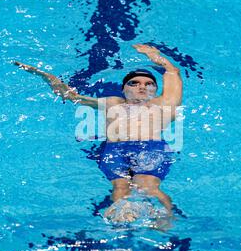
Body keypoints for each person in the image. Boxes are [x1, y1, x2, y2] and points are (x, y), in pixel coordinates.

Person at [14, 44, 183, 222]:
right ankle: (121, 224)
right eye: (134, 83)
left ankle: (165, 223)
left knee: (148, 187)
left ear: (155, 90)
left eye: (149, 84)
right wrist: (42, 74)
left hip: (150, 148)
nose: (142, 87)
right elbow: (70, 96)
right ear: (124, 89)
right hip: (115, 150)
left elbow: (172, 71)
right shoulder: (112, 102)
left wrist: (153, 55)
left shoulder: (164, 104)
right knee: (120, 187)